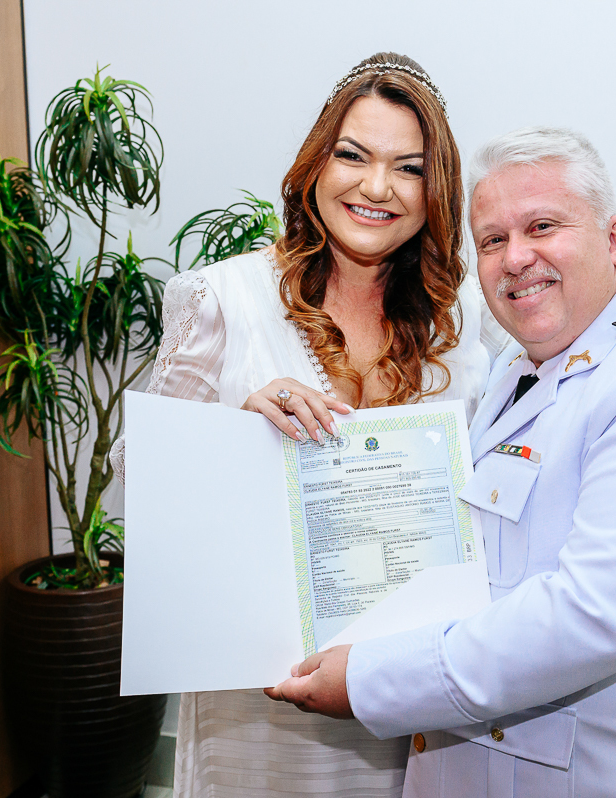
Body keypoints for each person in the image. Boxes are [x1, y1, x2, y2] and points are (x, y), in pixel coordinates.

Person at [265, 127, 616, 797]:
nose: (515, 258)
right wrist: (271, 435)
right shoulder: (512, 374)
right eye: (492, 240)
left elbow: (594, 615)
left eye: (542, 226)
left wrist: (372, 679)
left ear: (615, 240)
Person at [110, 53, 508, 797]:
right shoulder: (223, 297)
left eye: (409, 168)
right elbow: (134, 472)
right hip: (261, 702)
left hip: (411, 692)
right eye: (353, 155)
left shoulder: (460, 318)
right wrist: (234, 430)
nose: (376, 187)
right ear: (315, 165)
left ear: (437, 192)